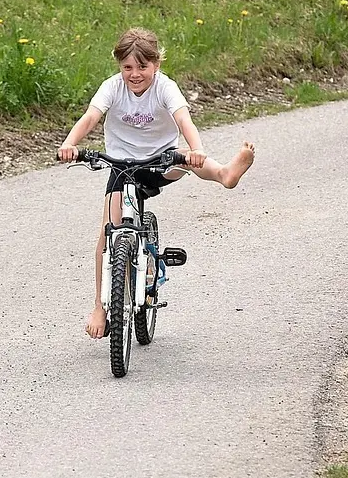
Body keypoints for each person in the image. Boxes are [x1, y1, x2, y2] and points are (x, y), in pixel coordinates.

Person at [56, 27, 255, 339]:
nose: (135, 74)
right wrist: (70, 144)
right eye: (127, 68)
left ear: (156, 65)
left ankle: (224, 174)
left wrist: (198, 150)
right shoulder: (112, 87)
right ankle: (99, 305)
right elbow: (90, 118)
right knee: (107, 233)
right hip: (121, 165)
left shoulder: (165, 88)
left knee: (184, 156)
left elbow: (183, 120)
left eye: (142, 67)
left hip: (159, 160)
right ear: (119, 66)